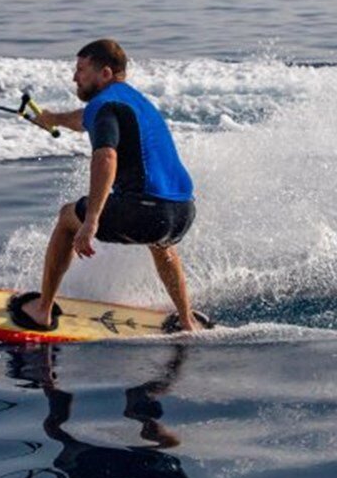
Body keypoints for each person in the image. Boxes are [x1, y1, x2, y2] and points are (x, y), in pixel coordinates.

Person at [11, 39, 203, 332]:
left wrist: (90, 222)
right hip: (181, 213)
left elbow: (106, 158)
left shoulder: (104, 106)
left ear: (106, 73)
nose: (75, 77)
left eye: (81, 70)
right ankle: (187, 320)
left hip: (146, 212)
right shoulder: (133, 101)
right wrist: (53, 119)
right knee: (160, 243)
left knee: (67, 218)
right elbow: (83, 119)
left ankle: (42, 311)